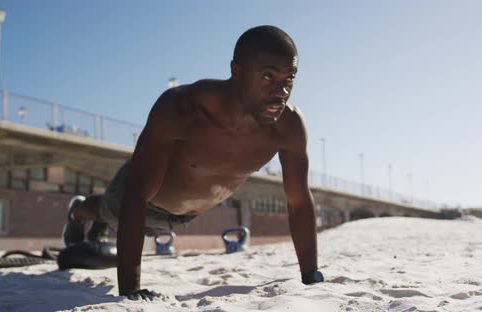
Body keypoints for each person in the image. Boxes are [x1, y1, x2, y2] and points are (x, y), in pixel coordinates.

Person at [62, 25, 323, 300]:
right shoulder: (182, 108)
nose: (281, 91)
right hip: (141, 199)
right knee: (105, 209)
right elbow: (135, 196)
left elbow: (298, 202)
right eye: (268, 76)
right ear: (237, 71)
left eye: (289, 78)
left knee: (121, 217)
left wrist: (311, 275)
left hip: (187, 212)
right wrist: (131, 290)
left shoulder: (288, 127)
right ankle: (78, 212)